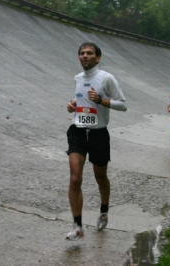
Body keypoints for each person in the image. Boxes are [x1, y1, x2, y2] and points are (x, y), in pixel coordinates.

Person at [65, 42, 128, 240]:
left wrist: (101, 100)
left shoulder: (106, 78)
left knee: (100, 177)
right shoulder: (77, 78)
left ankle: (104, 211)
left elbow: (123, 105)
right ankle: (77, 226)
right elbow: (81, 101)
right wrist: (72, 105)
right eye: (82, 53)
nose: (85, 56)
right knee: (75, 179)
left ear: (97, 58)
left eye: (89, 53)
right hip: (77, 131)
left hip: (99, 134)